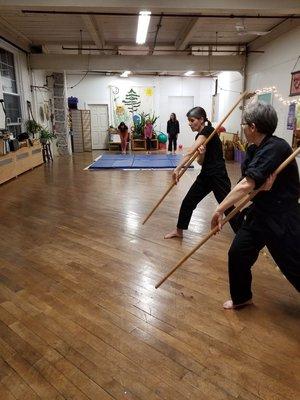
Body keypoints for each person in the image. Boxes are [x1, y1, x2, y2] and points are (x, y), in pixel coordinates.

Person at [211, 102, 300, 309]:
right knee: (238, 253)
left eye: (244, 124)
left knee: (294, 264)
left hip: (282, 217)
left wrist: (219, 209)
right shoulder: (253, 150)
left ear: (252, 127)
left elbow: (247, 184)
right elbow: (249, 187)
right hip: (260, 213)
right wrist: (259, 190)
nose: (242, 127)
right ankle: (242, 298)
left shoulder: (277, 147)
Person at [165, 106, 239, 239]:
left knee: (227, 206)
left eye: (192, 120)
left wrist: (177, 168)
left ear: (201, 119)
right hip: (206, 175)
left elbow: (190, 151)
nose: (189, 123)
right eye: (189, 120)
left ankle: (244, 233)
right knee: (188, 202)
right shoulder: (200, 136)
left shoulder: (208, 131)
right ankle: (179, 230)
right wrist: (202, 154)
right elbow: (200, 162)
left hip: (218, 176)